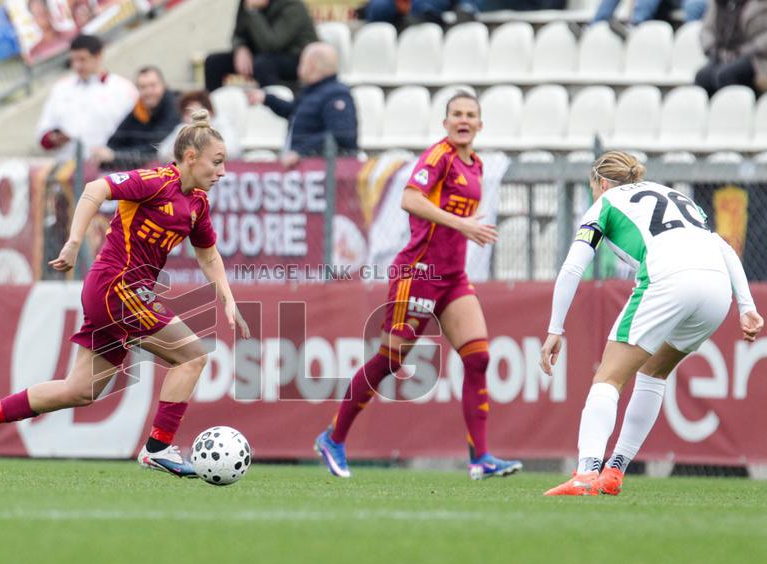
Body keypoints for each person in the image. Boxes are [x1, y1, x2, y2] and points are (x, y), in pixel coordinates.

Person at [0, 111, 250, 476]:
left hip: (119, 293)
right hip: (117, 286)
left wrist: (228, 298)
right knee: (191, 357)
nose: (222, 171)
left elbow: (208, 254)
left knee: (80, 390)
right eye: (217, 162)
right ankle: (158, 447)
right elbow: (95, 189)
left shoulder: (198, 204)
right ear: (191, 157)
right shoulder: (155, 181)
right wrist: (74, 242)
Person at [313, 92, 523, 480]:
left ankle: (480, 460)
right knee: (391, 361)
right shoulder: (438, 156)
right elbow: (410, 200)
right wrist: (463, 225)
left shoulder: (475, 165)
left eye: (470, 115)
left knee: (478, 358)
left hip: (453, 277)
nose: (463, 120)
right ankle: (333, 438)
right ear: (445, 123)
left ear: (480, 124)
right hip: (418, 274)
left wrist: (462, 229)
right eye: (456, 114)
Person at [540, 151, 763, 496]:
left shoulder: (607, 201)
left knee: (608, 378)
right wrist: (746, 305)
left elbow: (573, 267)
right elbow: (723, 246)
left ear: (600, 183)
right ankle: (615, 471)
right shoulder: (676, 196)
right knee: (654, 372)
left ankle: (586, 473)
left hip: (668, 280)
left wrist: (555, 328)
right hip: (718, 289)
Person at [246, 42, 357, 168]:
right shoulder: (312, 92)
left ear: (312, 65)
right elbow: (294, 112)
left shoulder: (336, 94)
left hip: (322, 173)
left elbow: (340, 135)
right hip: (304, 171)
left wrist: (302, 151)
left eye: (302, 61)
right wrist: (267, 98)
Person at [36, 33, 137, 163]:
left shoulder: (123, 89)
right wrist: (54, 138)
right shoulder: (60, 89)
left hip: (109, 170)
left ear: (98, 56)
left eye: (82, 59)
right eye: (73, 60)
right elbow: (43, 133)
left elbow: (138, 133)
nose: (77, 66)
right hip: (69, 168)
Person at [203, 0, 317, 92]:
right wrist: (241, 48)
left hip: (296, 57)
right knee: (214, 62)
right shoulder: (247, 2)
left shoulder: (293, 5)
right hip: (261, 54)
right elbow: (238, 33)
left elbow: (271, 44)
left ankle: (271, 105)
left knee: (262, 64)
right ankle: (213, 111)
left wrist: (253, 11)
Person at [101, 67, 181, 163]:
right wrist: (109, 153)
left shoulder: (175, 107)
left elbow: (154, 147)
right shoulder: (140, 108)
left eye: (153, 86)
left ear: (163, 85)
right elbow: (116, 139)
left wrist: (115, 155)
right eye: (143, 87)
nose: (148, 92)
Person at [695, 0, 767, 96]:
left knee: (725, 75)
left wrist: (748, 49)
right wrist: (713, 49)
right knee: (702, 76)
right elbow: (707, 30)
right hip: (723, 55)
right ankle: (711, 109)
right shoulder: (718, 3)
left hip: (756, 57)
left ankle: (736, 108)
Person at [158, 90, 242, 162]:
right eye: (187, 114)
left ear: (210, 112)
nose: (192, 118)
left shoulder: (222, 125)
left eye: (197, 111)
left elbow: (232, 151)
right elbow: (162, 152)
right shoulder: (182, 129)